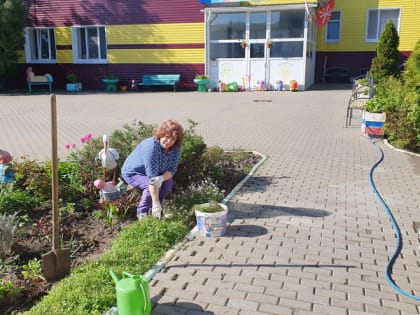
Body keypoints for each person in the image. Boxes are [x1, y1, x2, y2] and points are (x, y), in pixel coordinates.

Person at [121, 120, 184, 220]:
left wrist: (162, 178)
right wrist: (156, 202)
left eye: (172, 139)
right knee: (150, 187)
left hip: (157, 172)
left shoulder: (175, 149)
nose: (169, 142)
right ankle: (143, 213)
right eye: (167, 137)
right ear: (161, 134)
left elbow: (172, 170)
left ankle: (156, 211)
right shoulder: (151, 147)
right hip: (134, 172)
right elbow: (152, 180)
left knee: (167, 185)